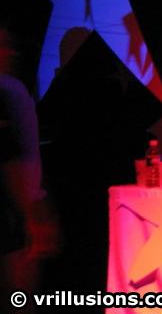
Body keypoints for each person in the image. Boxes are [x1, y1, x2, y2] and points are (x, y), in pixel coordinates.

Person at [1, 28, 59, 310]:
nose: (10, 52)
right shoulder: (7, 91)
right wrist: (34, 213)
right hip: (10, 213)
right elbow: (11, 156)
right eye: (3, 45)